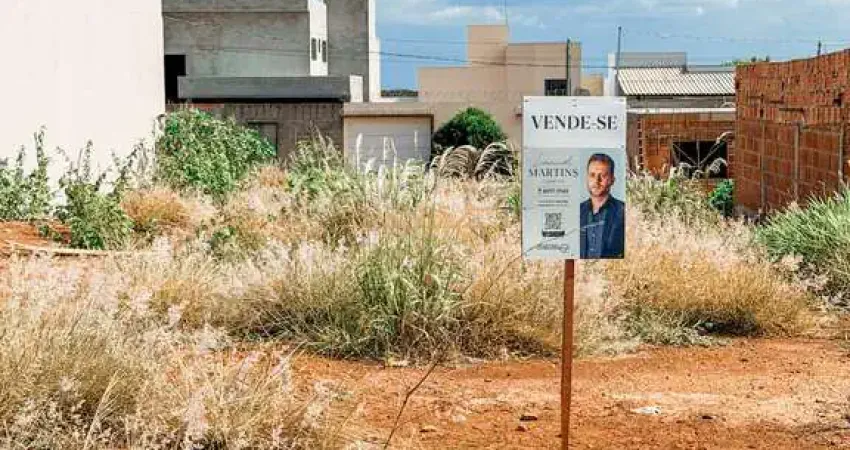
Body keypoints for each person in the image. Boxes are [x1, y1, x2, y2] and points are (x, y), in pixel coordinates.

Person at [580, 153, 625, 259]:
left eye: (603, 176)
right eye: (592, 175)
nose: (596, 181)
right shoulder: (576, 212)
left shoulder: (623, 211)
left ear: (612, 180)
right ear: (587, 178)